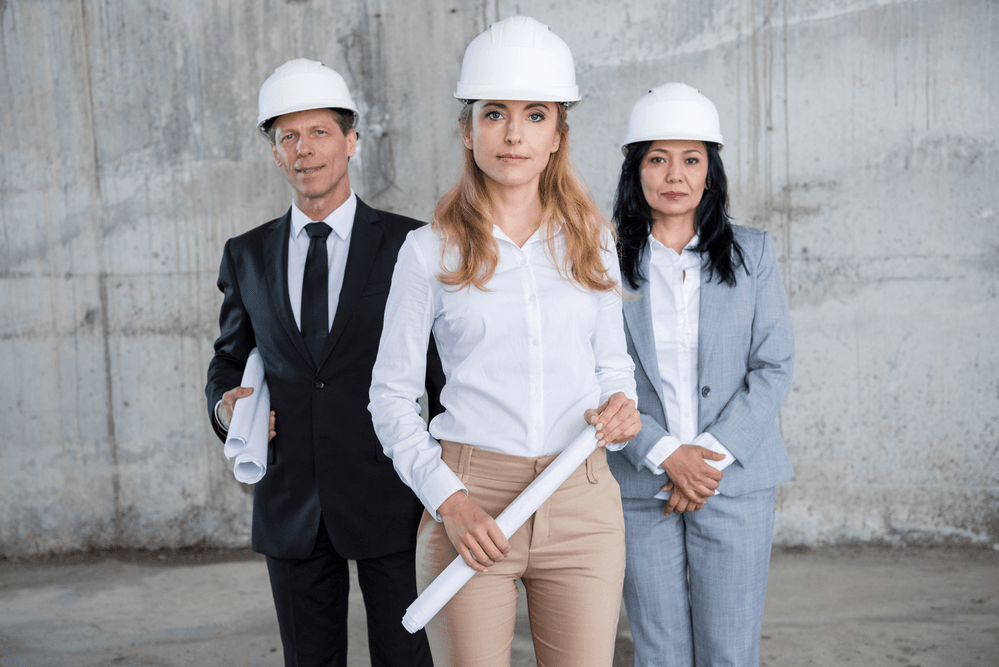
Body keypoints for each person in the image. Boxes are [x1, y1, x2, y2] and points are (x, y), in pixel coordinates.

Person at [368, 16, 640, 667]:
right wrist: (448, 502)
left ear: (557, 135)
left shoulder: (592, 241)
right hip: (470, 497)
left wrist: (622, 406)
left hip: (582, 499)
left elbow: (612, 366)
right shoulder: (426, 251)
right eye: (494, 113)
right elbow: (389, 396)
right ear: (468, 131)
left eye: (534, 115)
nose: (513, 133)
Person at [204, 58, 443, 667]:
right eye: (289, 137)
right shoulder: (247, 255)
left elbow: (442, 372)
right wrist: (224, 407)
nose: (304, 149)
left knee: (406, 656)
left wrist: (443, 487)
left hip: (391, 493)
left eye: (319, 133)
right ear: (276, 152)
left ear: (351, 142)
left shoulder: (409, 245)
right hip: (292, 499)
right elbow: (229, 359)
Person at [606, 82, 795, 667]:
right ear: (636, 171)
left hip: (733, 479)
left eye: (691, 160)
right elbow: (596, 373)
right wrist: (666, 454)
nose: (674, 175)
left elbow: (774, 365)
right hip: (641, 482)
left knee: (729, 651)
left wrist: (704, 460)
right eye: (657, 159)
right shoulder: (602, 258)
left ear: (711, 171)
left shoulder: (753, 253)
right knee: (658, 652)